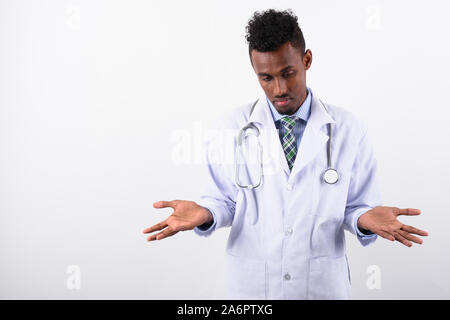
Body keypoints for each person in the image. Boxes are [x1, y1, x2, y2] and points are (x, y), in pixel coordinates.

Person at [142, 9, 428, 299]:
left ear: (307, 60)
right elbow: (223, 202)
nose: (278, 89)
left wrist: (364, 217)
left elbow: (356, 206)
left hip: (320, 287)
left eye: (287, 73)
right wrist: (205, 213)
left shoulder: (350, 129)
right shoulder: (231, 128)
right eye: (265, 78)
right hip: (251, 289)